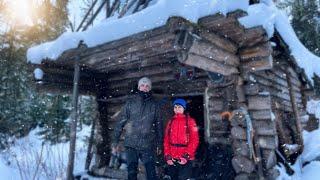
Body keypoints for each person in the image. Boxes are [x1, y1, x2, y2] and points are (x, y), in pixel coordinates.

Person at [112, 77, 163, 180]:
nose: (145, 88)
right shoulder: (130, 103)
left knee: (151, 174)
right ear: (139, 87)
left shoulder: (154, 105)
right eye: (142, 85)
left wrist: (159, 144)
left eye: (147, 86)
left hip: (148, 144)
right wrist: (115, 141)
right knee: (131, 174)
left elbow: (159, 126)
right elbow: (120, 122)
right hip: (131, 144)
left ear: (150, 88)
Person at [163, 98, 199, 180]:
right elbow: (166, 140)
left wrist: (186, 155)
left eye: (179, 107)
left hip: (186, 158)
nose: (177, 109)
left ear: (184, 108)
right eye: (175, 107)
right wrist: (167, 155)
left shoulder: (190, 121)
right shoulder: (171, 122)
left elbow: (195, 140)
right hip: (172, 157)